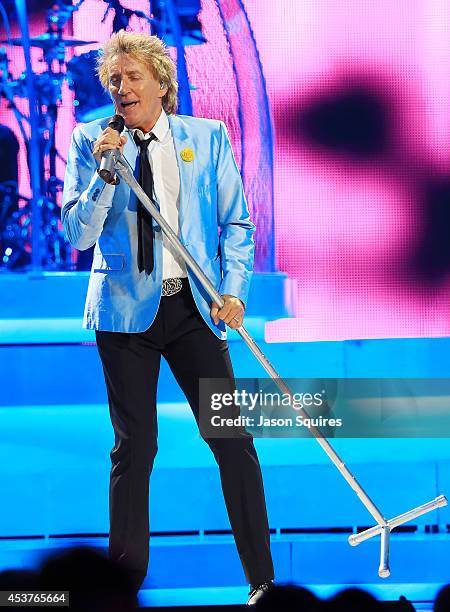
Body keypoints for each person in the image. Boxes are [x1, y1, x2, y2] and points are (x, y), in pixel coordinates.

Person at [61, 30, 274, 605]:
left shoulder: (206, 138)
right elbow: (77, 235)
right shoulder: (89, 140)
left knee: (232, 439)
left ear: (161, 82)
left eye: (132, 77)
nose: (121, 88)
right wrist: (106, 173)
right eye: (113, 79)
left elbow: (236, 223)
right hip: (125, 315)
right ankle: (119, 588)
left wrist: (232, 291)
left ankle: (262, 582)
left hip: (192, 311)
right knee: (136, 447)